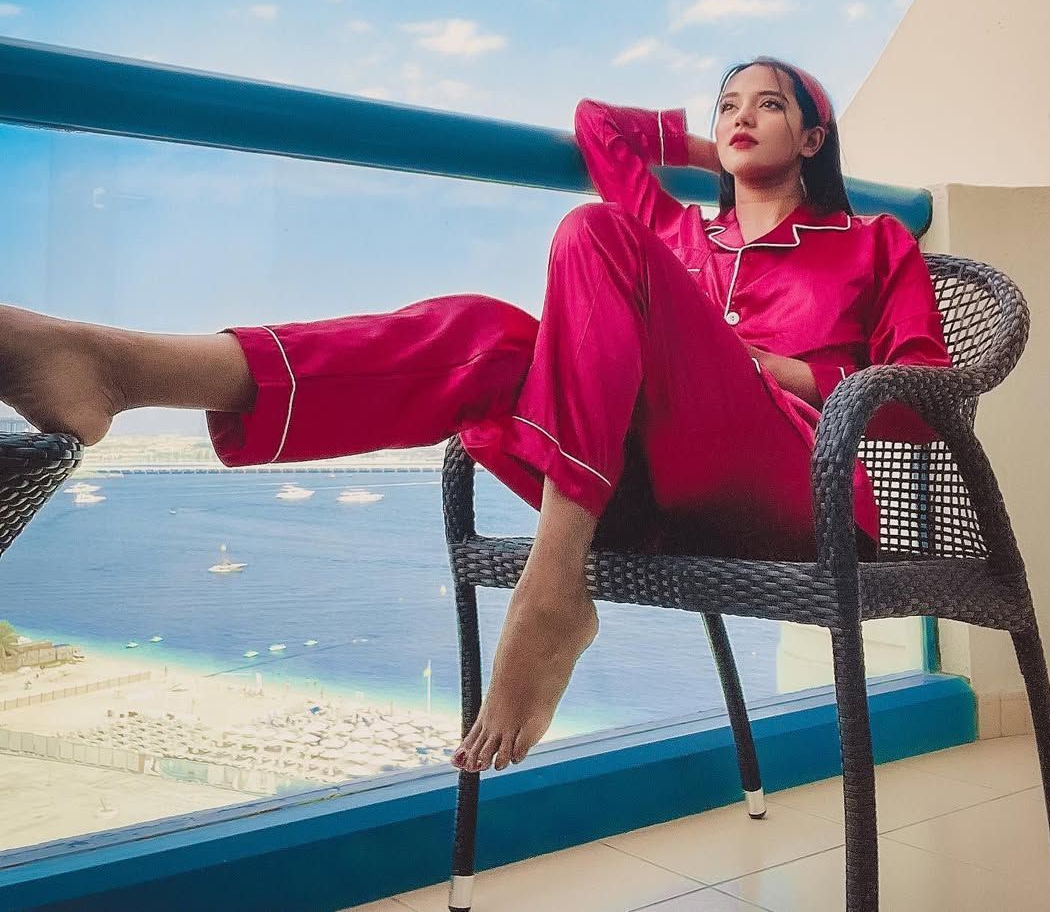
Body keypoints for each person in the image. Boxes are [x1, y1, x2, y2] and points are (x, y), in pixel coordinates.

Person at [0, 57, 951, 776]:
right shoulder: (679, 234)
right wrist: (721, 151)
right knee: (483, 334)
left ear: (816, 137)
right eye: (727, 105)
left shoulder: (871, 240)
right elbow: (600, 127)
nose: (740, 116)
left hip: (794, 495)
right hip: (645, 493)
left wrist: (786, 370)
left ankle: (550, 583)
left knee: (591, 229)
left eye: (770, 105)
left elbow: (922, 403)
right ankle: (119, 367)